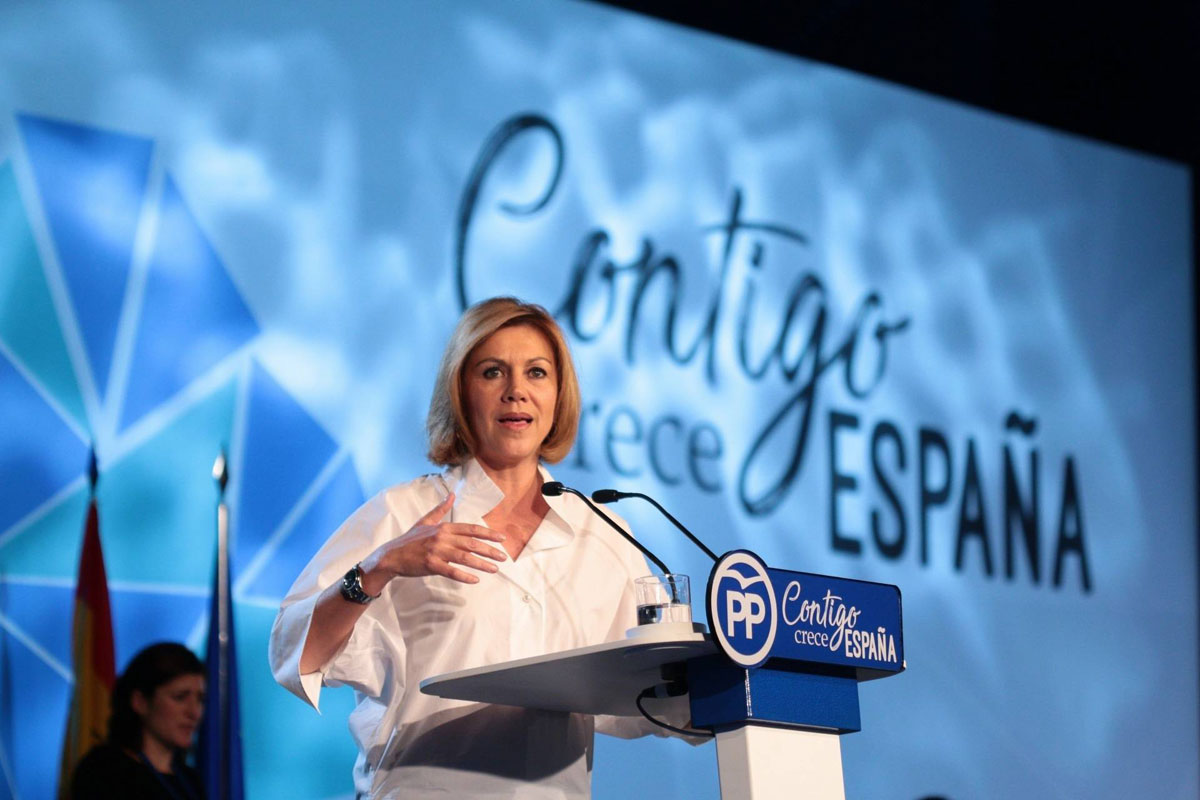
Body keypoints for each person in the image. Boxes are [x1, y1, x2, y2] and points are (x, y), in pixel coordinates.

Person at [270, 297, 686, 798]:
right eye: (493, 373)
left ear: (559, 396)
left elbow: (661, 690)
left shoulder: (602, 534)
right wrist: (380, 568)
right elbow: (298, 652)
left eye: (536, 373)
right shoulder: (403, 513)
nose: (516, 392)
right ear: (461, 393)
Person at [71, 642, 206, 800]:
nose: (194, 712)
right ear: (140, 702)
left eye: (200, 699)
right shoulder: (104, 771)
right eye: (180, 697)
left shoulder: (191, 780)